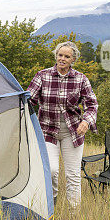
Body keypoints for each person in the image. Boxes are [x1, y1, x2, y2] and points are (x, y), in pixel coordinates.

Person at [27, 41, 98, 209]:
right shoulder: (42, 76)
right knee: (51, 171)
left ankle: (74, 213)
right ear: (56, 56)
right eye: (60, 55)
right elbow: (29, 99)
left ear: (73, 59)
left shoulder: (81, 79)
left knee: (73, 175)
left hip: (73, 132)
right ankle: (51, 207)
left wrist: (86, 121)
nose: (62, 59)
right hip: (47, 131)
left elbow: (92, 104)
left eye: (67, 56)